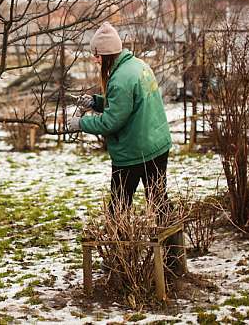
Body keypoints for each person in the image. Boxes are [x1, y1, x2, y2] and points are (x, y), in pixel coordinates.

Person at [69, 22, 172, 217]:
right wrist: (96, 102)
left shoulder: (120, 79)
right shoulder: (137, 65)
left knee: (119, 206)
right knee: (159, 201)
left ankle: (119, 244)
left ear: (107, 55)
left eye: (97, 55)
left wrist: (80, 124)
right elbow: (127, 105)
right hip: (156, 145)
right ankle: (174, 246)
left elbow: (111, 122)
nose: (95, 60)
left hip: (133, 151)